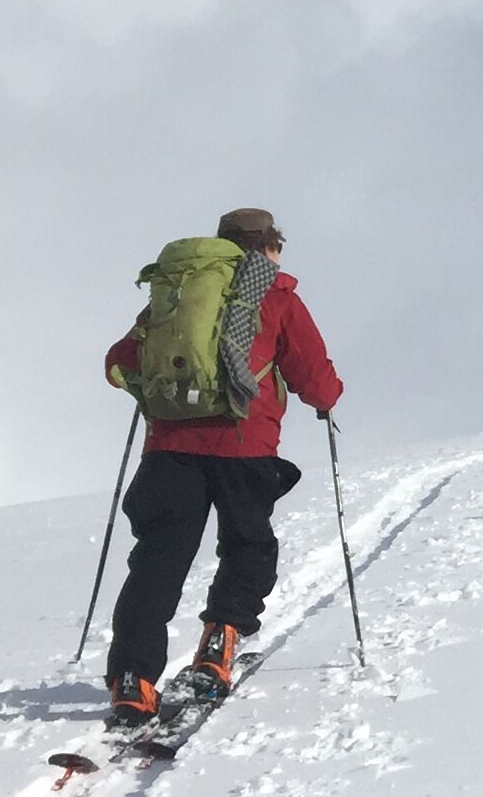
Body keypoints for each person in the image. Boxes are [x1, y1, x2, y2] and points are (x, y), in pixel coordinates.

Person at [100, 208, 342, 723]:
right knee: (247, 545)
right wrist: (328, 398)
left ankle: (132, 679)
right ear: (269, 246)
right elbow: (314, 378)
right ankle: (220, 643)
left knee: (158, 560)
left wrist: (152, 390)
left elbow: (119, 360)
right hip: (244, 446)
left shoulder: (180, 291)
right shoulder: (274, 295)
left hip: (168, 449)